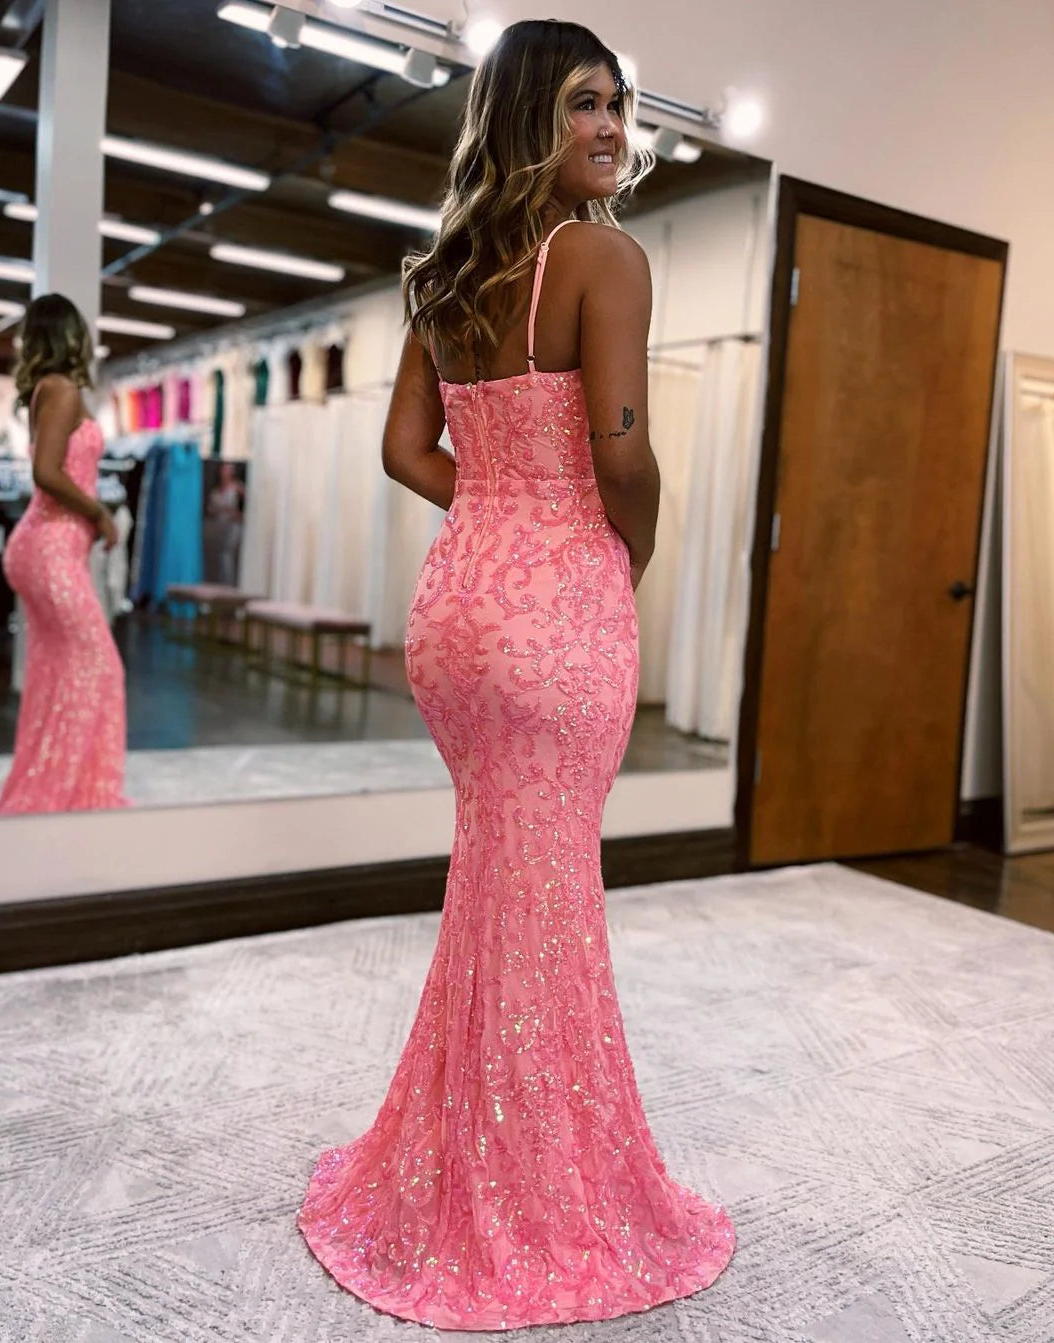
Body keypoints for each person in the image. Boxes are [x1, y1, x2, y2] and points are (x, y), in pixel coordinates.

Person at [297, 19, 735, 1329]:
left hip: (459, 609)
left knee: (504, 875)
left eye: (621, 107)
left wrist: (497, 508)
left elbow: (406, 450)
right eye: (586, 104)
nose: (612, 129)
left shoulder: (443, 275)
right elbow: (624, 453)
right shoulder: (604, 256)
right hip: (556, 609)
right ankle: (530, 1191)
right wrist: (622, 548)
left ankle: (467, 1147)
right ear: (532, 117)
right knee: (547, 888)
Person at [0, 293, 127, 815]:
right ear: (71, 335)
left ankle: (58, 789)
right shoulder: (62, 390)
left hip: (47, 548)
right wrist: (99, 512)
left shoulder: (47, 390)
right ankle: (72, 793)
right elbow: (46, 473)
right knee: (99, 665)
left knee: (57, 670)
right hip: (49, 548)